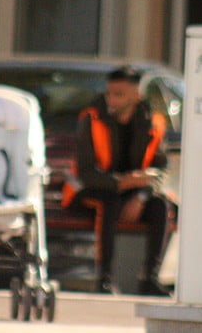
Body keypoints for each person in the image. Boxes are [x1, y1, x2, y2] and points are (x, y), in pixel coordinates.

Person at [63, 66, 174, 296]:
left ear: (136, 96)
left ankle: (149, 279)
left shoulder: (153, 122)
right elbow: (85, 173)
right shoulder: (91, 118)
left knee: (161, 206)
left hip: (132, 192)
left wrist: (141, 196)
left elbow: (160, 169)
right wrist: (121, 183)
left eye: (119, 94)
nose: (111, 99)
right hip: (88, 191)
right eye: (109, 93)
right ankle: (104, 279)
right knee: (109, 202)